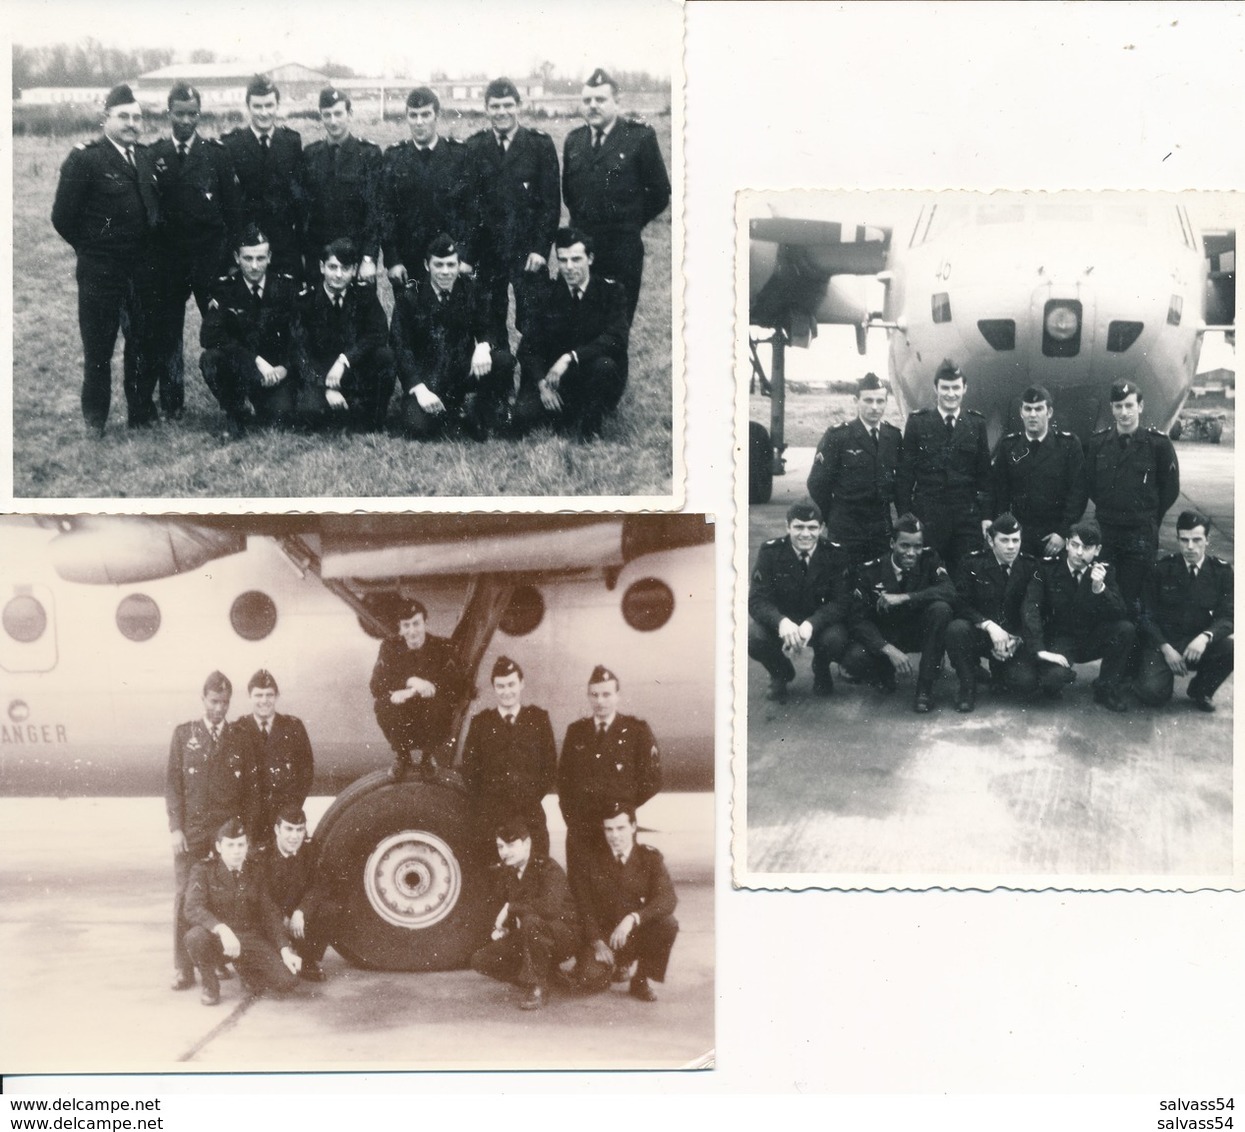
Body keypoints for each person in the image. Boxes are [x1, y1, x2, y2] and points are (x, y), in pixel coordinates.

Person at [51, 83, 162, 436]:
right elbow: (63, 217)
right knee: (99, 349)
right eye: (124, 116)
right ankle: (95, 420)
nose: (132, 123)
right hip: (102, 272)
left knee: (143, 343)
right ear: (105, 119)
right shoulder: (86, 159)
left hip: (141, 271)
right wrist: (94, 251)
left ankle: (141, 411)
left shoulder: (143, 158)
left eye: (137, 117)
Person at [149, 82, 243, 420]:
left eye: (192, 114)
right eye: (179, 113)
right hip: (170, 263)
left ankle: (231, 398)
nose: (185, 120)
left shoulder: (216, 155)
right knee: (168, 332)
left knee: (220, 330)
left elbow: (234, 214)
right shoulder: (154, 155)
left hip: (210, 261)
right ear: (168, 113)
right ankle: (172, 402)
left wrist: (231, 260)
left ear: (199, 115)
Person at [165, 672, 254, 992]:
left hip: (224, 836)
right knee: (184, 897)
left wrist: (241, 835)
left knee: (219, 895)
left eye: (225, 703)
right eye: (214, 701)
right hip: (192, 833)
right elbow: (173, 787)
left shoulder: (238, 737)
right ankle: (183, 968)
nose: (219, 708)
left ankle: (214, 959)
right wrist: (175, 829)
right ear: (203, 700)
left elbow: (246, 792)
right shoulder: (184, 735)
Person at [562, 68, 670, 324]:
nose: (593, 106)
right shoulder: (574, 141)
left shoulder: (639, 137)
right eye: (587, 100)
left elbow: (660, 193)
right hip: (583, 252)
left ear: (617, 102)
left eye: (600, 100)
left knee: (615, 329)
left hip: (622, 251)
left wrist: (630, 222)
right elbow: (569, 193)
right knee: (582, 323)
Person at [388, 233, 517, 439]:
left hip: (462, 372)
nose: (446, 272)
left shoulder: (470, 289)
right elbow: (400, 347)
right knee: (417, 428)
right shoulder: (409, 297)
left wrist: (483, 346)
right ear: (427, 265)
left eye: (451, 265)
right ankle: (453, 414)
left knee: (503, 360)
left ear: (459, 265)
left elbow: (489, 326)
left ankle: (479, 408)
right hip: (428, 380)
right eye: (439, 265)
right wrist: (419, 390)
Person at [465, 78, 561, 346]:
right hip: (489, 251)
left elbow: (551, 204)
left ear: (519, 106)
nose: (502, 111)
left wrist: (541, 250)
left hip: (526, 250)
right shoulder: (474, 147)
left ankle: (530, 382)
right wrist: (468, 255)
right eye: (495, 106)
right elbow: (471, 206)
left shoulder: (539, 145)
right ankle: (498, 379)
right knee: (490, 316)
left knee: (532, 318)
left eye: (508, 105)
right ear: (486, 109)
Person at [517, 227, 630, 440]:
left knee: (604, 365)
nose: (569, 267)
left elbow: (617, 339)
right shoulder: (547, 294)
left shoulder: (611, 292)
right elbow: (527, 347)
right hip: (554, 381)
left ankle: (591, 429)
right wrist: (542, 385)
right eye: (563, 260)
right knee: (522, 417)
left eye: (576, 259)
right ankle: (565, 413)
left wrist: (570, 357)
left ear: (590, 259)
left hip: (590, 374)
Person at [841, 513, 956, 713]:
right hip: (888, 636)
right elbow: (857, 621)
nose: (911, 553)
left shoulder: (930, 559)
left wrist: (906, 597)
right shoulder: (871, 570)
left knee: (941, 609)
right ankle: (883, 672)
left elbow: (949, 591)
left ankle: (925, 688)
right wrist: (887, 649)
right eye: (905, 546)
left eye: (917, 546)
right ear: (892, 543)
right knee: (854, 658)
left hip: (918, 633)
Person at [558, 665, 661, 885]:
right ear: (588, 696)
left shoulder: (636, 731)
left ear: (617, 696)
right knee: (581, 889)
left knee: (619, 886)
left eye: (606, 694)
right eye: (595, 695)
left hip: (618, 829)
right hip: (582, 829)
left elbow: (653, 779)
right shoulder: (576, 732)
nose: (600, 701)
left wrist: (624, 806)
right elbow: (564, 781)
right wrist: (573, 819)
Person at [1085, 381, 1180, 615]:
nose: (1124, 412)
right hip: (1107, 529)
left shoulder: (1158, 444)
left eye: (1129, 405)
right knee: (1102, 590)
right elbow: (1091, 485)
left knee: (1136, 594)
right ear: (1112, 408)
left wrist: (1150, 517)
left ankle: (1133, 648)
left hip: (1140, 532)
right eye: (1118, 406)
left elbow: (1170, 488)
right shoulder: (1098, 443)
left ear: (1141, 406)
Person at [1021, 519, 1136, 712]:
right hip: (1061, 638)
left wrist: (1100, 589)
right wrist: (1039, 649)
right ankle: (1059, 678)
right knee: (1052, 681)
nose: (1079, 553)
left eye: (1087, 547)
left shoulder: (1104, 572)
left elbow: (1120, 611)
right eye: (1074, 545)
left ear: (1097, 550)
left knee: (1125, 629)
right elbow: (1030, 607)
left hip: (1091, 637)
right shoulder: (1047, 568)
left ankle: (1106, 688)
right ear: (1066, 544)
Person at [183, 818, 301, 1006]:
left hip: (248, 938)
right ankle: (209, 984)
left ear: (247, 846)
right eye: (230, 845)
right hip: (218, 939)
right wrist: (221, 928)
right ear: (219, 847)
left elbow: (269, 912)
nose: (237, 851)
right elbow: (192, 908)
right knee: (195, 937)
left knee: (287, 982)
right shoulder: (203, 870)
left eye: (241, 845)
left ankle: (245, 968)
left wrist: (285, 950)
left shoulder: (255, 870)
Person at [199, 223, 301, 437]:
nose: (254, 266)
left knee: (280, 417)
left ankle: (262, 404)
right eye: (248, 258)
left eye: (261, 258)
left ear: (270, 257)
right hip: (243, 368)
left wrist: (284, 368)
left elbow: (299, 337)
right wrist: (255, 361)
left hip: (277, 372)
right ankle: (236, 411)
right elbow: (209, 336)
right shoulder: (225, 289)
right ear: (236, 258)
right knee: (211, 359)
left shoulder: (285, 288)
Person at [469, 816, 579, 1011]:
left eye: (511, 845)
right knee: (481, 960)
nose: (504, 852)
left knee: (531, 921)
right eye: (500, 846)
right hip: (533, 935)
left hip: (564, 935)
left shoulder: (547, 867)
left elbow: (549, 908)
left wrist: (511, 908)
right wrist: (502, 929)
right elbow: (499, 904)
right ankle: (544, 974)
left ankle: (537, 986)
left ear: (527, 843)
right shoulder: (507, 871)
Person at [747, 499, 853, 701]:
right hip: (784, 623)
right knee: (754, 637)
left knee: (836, 639)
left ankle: (821, 668)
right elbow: (757, 600)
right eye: (798, 527)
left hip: (817, 624)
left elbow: (842, 602)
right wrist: (781, 622)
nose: (806, 534)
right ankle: (780, 673)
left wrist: (812, 624)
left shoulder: (835, 554)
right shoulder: (770, 553)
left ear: (821, 528)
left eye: (812, 527)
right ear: (787, 526)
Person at [570, 804, 678, 1003]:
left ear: (633, 827)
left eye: (620, 828)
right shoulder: (589, 860)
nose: (615, 836)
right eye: (609, 829)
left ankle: (641, 980)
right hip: (603, 937)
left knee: (668, 924)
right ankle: (609, 967)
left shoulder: (649, 858)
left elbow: (668, 898)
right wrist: (597, 942)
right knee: (590, 981)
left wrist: (633, 918)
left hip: (633, 934)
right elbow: (583, 905)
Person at [895, 359, 992, 577]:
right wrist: (905, 518)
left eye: (956, 387)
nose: (950, 394)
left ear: (964, 389)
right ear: (935, 388)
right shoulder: (918, 423)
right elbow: (904, 476)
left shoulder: (976, 424)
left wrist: (985, 516)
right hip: (928, 517)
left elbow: (984, 475)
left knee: (967, 578)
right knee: (925, 577)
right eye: (945, 388)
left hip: (965, 519)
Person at [1134, 511, 1233, 712]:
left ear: (1207, 540)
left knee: (1234, 649)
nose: (1190, 547)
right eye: (1184, 540)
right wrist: (1165, 648)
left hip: (1197, 644)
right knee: (1152, 694)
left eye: (1197, 540)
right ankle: (1147, 675)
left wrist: (1206, 637)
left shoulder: (1221, 572)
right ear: (1178, 539)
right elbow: (1145, 616)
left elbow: (1229, 616)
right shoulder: (1161, 569)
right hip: (1165, 643)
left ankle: (1200, 690)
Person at [292, 237, 395, 431]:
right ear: (322, 267)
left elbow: (378, 333)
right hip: (320, 373)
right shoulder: (306, 301)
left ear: (355, 270)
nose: (338, 275)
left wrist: (345, 360)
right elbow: (300, 352)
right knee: (310, 414)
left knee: (385, 356)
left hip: (352, 370)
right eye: (333, 267)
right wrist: (325, 386)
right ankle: (341, 411)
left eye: (345, 268)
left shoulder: (364, 296)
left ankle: (372, 419)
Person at [380, 88, 479, 289]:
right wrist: (393, 260)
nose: (419, 122)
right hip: (409, 262)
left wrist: (467, 258)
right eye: (413, 115)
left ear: (437, 116)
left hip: (450, 261)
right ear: (406, 117)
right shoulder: (394, 157)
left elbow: (472, 211)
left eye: (425, 115)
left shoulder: (460, 155)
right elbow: (385, 212)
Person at [461, 656, 558, 859]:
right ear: (494, 688)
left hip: (529, 815)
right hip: (492, 818)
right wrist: (490, 804)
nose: (507, 692)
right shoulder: (481, 723)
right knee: (494, 876)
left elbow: (549, 767)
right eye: (501, 686)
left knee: (535, 870)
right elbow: (470, 771)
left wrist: (528, 798)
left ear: (521, 684)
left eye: (511, 684)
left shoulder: (538, 719)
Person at [806, 372, 902, 570]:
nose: (874, 407)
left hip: (880, 528)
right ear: (856, 401)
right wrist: (832, 516)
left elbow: (900, 481)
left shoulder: (893, 436)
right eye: (868, 400)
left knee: (877, 583)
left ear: (886, 402)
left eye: (880, 401)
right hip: (846, 527)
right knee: (843, 583)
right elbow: (817, 483)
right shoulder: (838, 436)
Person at [945, 513, 1039, 712]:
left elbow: (1036, 609)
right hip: (982, 633)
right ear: (990, 540)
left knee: (1025, 683)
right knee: (956, 629)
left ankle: (1000, 675)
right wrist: (989, 625)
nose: (1011, 546)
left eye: (1016, 540)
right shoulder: (972, 563)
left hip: (1012, 639)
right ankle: (967, 687)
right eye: (1004, 540)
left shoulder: (1030, 566)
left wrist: (1019, 638)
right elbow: (959, 603)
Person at [369, 599, 465, 780]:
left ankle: (427, 758)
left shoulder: (443, 647)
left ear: (425, 623)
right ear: (400, 627)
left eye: (416, 624)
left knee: (442, 705)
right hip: (403, 715)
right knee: (384, 705)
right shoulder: (389, 648)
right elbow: (376, 685)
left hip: (430, 713)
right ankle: (402, 757)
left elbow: (458, 684)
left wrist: (430, 687)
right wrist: (411, 681)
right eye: (406, 625)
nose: (412, 631)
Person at [990, 385, 1087, 560]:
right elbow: (1000, 494)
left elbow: (1078, 493)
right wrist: (1006, 533)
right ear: (1021, 412)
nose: (1033, 415)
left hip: (1055, 537)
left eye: (1038, 409)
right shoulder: (1009, 446)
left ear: (1049, 412)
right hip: (1019, 538)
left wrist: (1063, 533)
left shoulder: (1068, 445)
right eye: (1028, 409)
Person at [222, 76, 303, 277]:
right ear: (248, 106)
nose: (264, 112)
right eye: (257, 106)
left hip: (283, 246)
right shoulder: (231, 144)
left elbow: (298, 198)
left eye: (269, 105)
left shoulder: (291, 141)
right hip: (248, 248)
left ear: (277, 105)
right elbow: (227, 204)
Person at [300, 87, 382, 286]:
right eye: (327, 115)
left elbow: (375, 210)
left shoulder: (369, 154)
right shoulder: (310, 155)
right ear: (320, 116)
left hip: (354, 259)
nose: (333, 121)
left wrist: (368, 259)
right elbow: (304, 212)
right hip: (320, 259)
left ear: (350, 114)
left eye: (338, 113)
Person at [256, 805, 339, 983]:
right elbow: (262, 899)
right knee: (278, 979)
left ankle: (308, 960)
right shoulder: (261, 856)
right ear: (277, 829)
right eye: (289, 829)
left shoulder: (309, 851)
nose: (294, 836)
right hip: (270, 919)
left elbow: (319, 886)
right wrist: (282, 919)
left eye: (300, 830)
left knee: (329, 909)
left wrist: (301, 911)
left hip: (297, 919)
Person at [233, 669, 314, 841]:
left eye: (269, 695)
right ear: (250, 697)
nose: (264, 701)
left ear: (277, 696)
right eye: (258, 695)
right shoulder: (239, 728)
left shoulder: (293, 727)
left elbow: (305, 773)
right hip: (250, 822)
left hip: (282, 819)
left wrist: (291, 811)